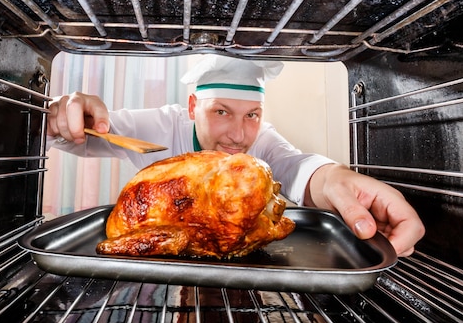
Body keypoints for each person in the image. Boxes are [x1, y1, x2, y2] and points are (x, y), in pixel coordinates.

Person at [47, 55, 424, 256]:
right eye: (221, 111)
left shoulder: (262, 146)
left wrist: (340, 180)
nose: (238, 135)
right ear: (193, 105)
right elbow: (81, 138)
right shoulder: (158, 126)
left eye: (252, 115)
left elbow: (300, 170)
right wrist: (62, 118)